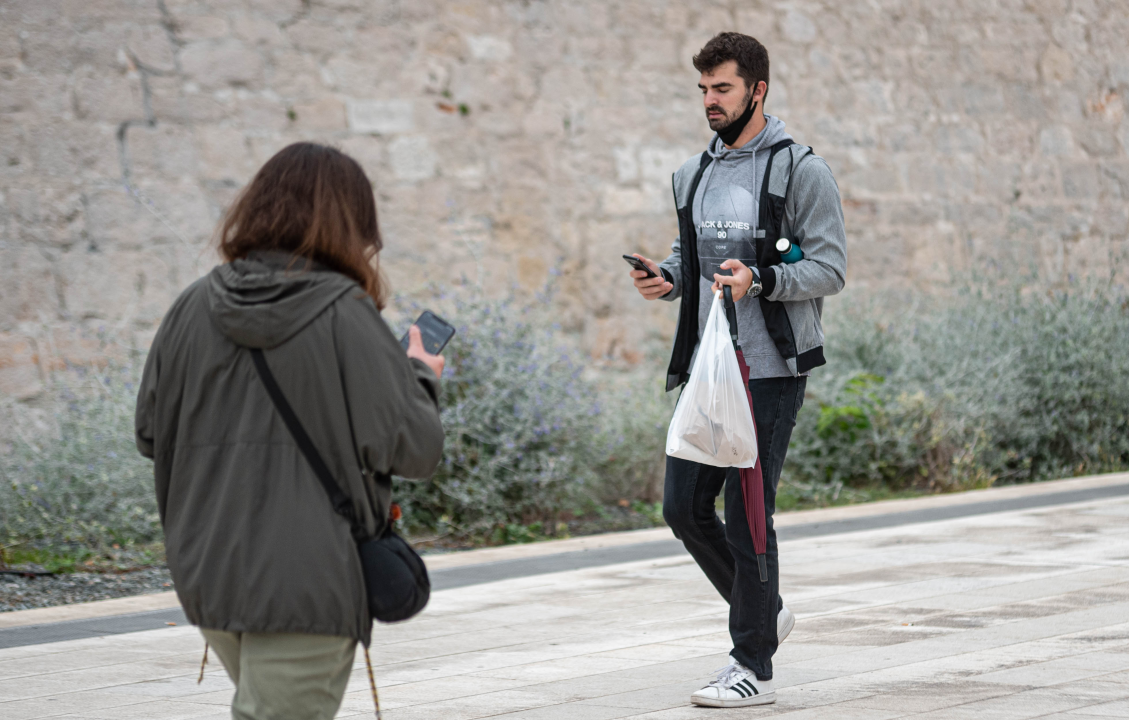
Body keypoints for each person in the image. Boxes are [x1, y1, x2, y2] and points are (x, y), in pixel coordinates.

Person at [135, 142, 446, 719]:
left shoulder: (191, 306)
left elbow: (150, 435)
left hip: (209, 571)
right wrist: (421, 375)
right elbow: (415, 449)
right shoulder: (344, 314)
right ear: (353, 223)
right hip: (306, 580)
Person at [628, 33, 847, 708]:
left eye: (721, 88)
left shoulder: (799, 170)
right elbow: (688, 256)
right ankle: (765, 614)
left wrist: (762, 279)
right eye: (703, 89)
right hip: (709, 368)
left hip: (770, 369)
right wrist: (667, 278)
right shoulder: (692, 173)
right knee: (682, 507)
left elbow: (829, 268)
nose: (709, 101)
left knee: (748, 514)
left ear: (757, 89)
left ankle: (751, 664)